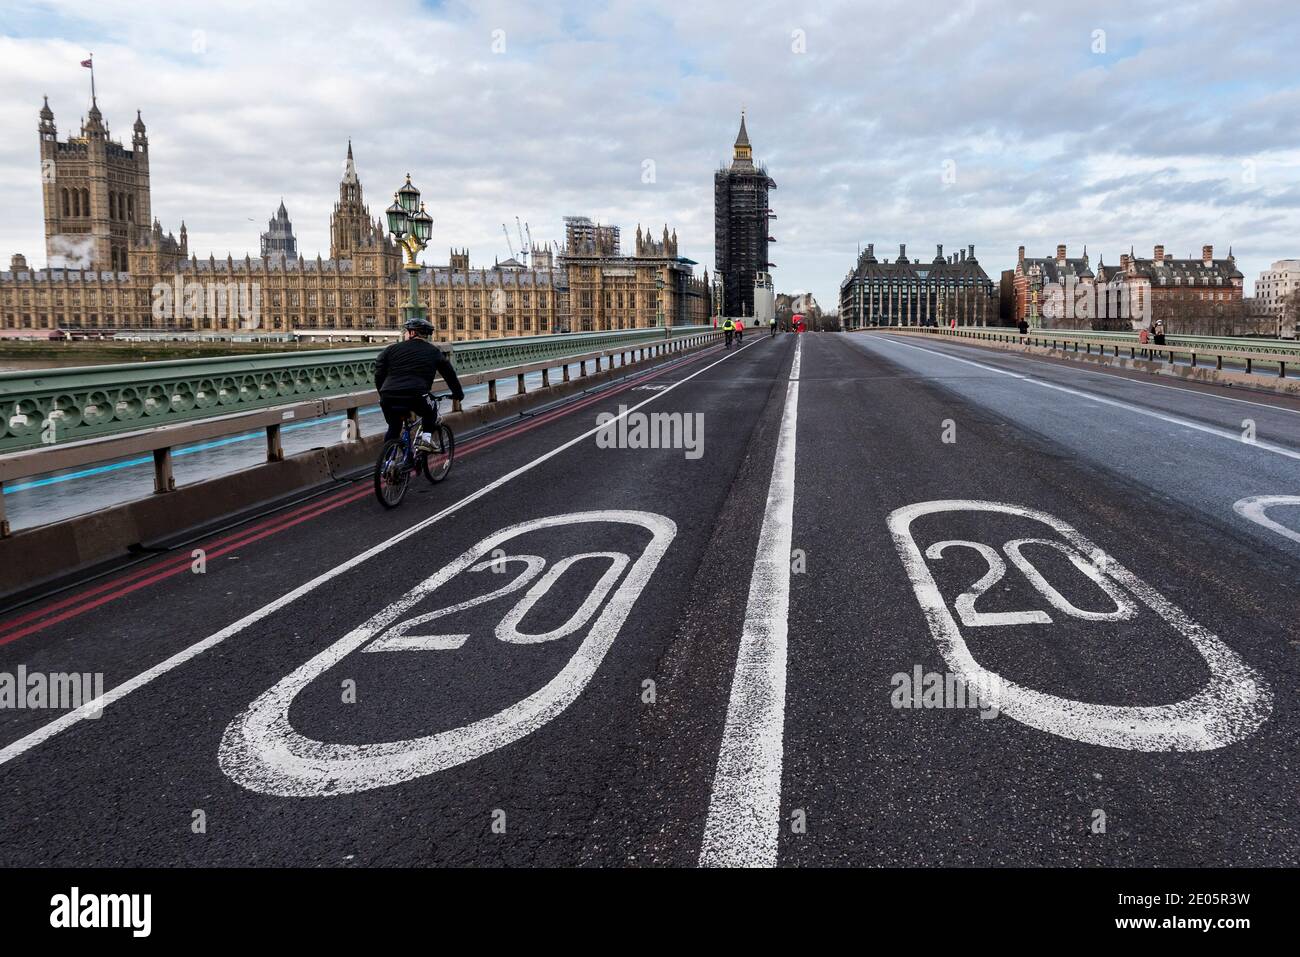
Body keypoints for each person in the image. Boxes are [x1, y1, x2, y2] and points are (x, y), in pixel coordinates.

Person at [374, 316, 465, 450]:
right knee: (431, 409)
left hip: (388, 395)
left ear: (412, 333)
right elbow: (449, 374)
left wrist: (382, 392)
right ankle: (426, 439)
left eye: (406, 331)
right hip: (416, 394)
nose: (404, 334)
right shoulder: (433, 351)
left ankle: (388, 463)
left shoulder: (390, 349)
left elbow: (379, 372)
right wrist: (458, 393)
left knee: (394, 427)